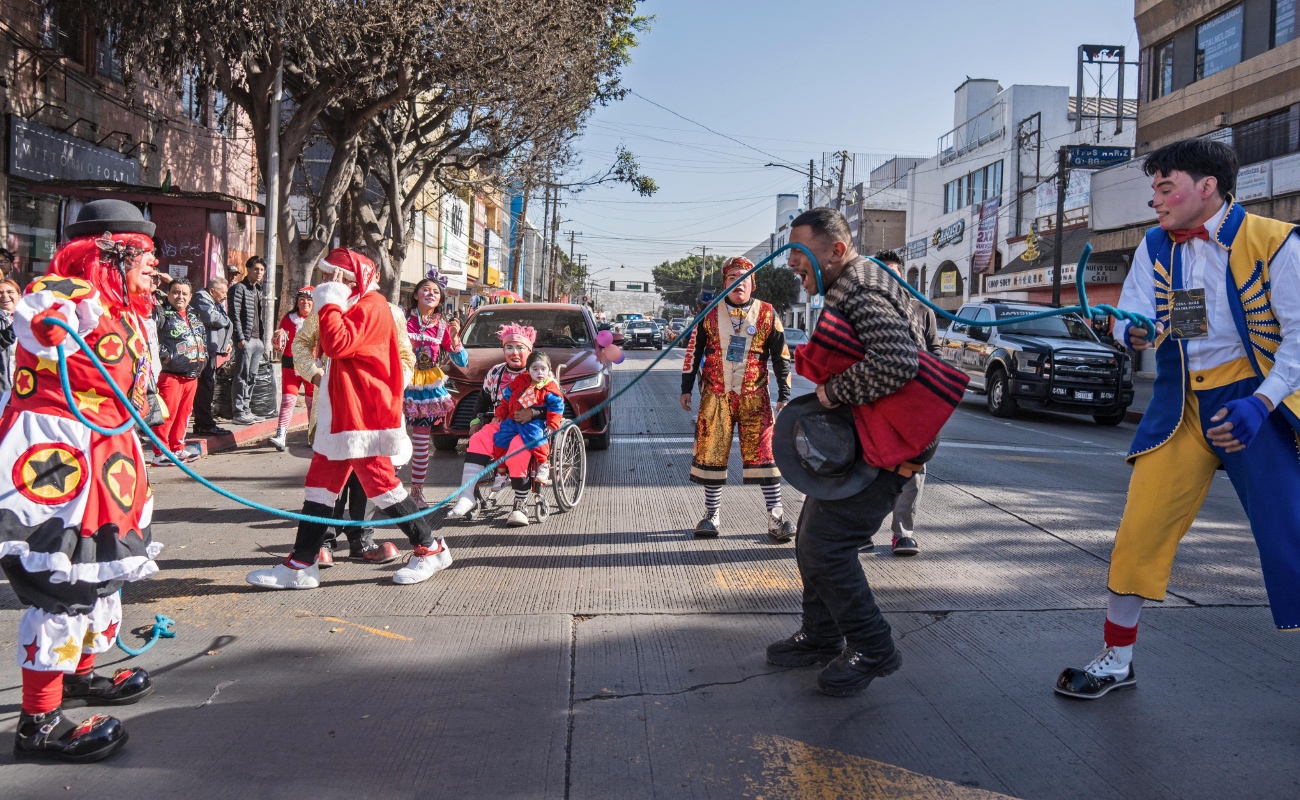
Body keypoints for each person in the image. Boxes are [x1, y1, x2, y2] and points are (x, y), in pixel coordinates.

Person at [1056, 139, 1300, 700]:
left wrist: (1261, 403)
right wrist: (1130, 331)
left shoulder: (1274, 241)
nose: (1156, 201)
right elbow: (1134, 310)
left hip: (1258, 400)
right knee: (1138, 531)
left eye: (1167, 188)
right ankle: (1117, 660)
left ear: (1207, 187)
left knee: (1290, 533)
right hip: (1183, 402)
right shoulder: (1155, 245)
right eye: (1155, 189)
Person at [1, 199, 162, 761]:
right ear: (106, 254)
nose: (154, 265)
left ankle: (77, 676)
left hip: (105, 461)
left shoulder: (124, 310)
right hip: (58, 463)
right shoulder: (71, 293)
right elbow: (37, 314)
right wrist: (47, 322)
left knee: (97, 573)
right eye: (143, 254)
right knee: (60, 583)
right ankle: (38, 723)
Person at [769, 208, 937, 697]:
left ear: (837, 250)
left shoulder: (861, 289)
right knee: (811, 535)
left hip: (896, 441)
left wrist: (832, 393)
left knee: (827, 544)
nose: (793, 264)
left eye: (801, 253)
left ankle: (873, 646)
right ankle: (821, 635)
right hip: (874, 436)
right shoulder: (855, 283)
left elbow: (897, 363)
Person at [246, 247, 449, 589]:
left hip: (363, 413)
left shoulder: (371, 306)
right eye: (325, 276)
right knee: (321, 486)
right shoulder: (349, 305)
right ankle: (301, 563)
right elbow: (316, 343)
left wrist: (329, 298)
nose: (325, 282)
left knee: (381, 485)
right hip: (341, 412)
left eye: (332, 276)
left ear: (350, 280)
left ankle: (429, 547)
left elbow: (337, 344)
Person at [290, 285, 414, 566]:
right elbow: (301, 344)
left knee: (370, 477)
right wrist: (317, 375)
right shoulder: (327, 308)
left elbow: (406, 357)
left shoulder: (390, 312)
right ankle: (323, 542)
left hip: (373, 408)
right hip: (334, 408)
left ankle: (362, 539)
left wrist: (388, 384)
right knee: (330, 476)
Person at [680, 256, 794, 541]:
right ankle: (711, 516)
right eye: (732, 278)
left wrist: (785, 393)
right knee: (712, 454)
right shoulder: (707, 314)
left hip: (755, 397)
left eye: (744, 277)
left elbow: (781, 357)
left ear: (753, 284)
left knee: (766, 455)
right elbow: (693, 353)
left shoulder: (767, 313)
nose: (738, 283)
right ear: (725, 284)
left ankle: (776, 517)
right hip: (715, 396)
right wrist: (685, 388)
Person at [868, 249, 940, 557]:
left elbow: (935, 352)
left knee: (913, 469)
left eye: (895, 275)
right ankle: (861, 531)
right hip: (875, 401)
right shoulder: (863, 309)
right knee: (868, 468)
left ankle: (903, 533)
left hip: (914, 404)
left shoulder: (922, 310)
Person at [446, 323, 536, 522]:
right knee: (478, 439)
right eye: (509, 347)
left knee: (517, 448)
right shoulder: (495, 372)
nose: (514, 352)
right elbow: (482, 399)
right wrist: (475, 421)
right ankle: (467, 495)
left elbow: (555, 404)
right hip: (500, 422)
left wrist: (533, 412)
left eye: (520, 347)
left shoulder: (537, 372)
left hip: (528, 427)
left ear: (529, 350)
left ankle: (520, 503)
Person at [404, 269, 467, 507]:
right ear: (416, 295)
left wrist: (456, 338)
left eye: (435, 292)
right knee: (391, 438)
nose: (431, 294)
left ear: (440, 299)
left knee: (421, 442)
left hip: (426, 387)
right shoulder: (402, 319)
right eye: (426, 289)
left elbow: (462, 362)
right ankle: (386, 490)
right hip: (399, 381)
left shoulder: (442, 326)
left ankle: (417, 491)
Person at [150, 277, 208, 466]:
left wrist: (204, 355)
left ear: (191, 296)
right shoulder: (161, 313)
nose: (180, 296)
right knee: (168, 415)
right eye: (175, 292)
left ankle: (177, 448)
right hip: (171, 374)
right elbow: (150, 337)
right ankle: (160, 453)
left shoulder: (193, 315)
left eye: (184, 293)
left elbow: (202, 337)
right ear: (169, 293)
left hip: (192, 375)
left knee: (184, 415)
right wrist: (165, 355)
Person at [493, 350, 565, 496]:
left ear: (549, 370)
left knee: (536, 437)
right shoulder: (519, 383)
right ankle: (501, 473)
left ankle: (543, 464)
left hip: (535, 421)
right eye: (535, 369)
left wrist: (552, 425)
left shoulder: (549, 388)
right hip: (514, 419)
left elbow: (556, 409)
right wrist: (499, 415)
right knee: (500, 438)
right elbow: (506, 400)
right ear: (528, 370)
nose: (539, 373)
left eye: (543, 369)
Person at [269, 287, 315, 452]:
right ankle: (281, 435)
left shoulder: (319, 319)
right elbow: (279, 343)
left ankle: (313, 436)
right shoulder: (288, 319)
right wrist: (277, 340)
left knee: (311, 403)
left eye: (309, 299)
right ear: (297, 301)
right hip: (290, 366)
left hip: (312, 368)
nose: (305, 302)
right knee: (288, 401)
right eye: (302, 298)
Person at [191, 276, 232, 435]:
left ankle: (204, 422)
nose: (224, 296)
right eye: (223, 292)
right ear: (212, 290)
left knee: (207, 386)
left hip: (210, 350)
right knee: (204, 387)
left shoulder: (213, 302)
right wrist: (226, 320)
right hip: (202, 351)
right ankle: (204, 424)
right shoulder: (202, 298)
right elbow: (211, 318)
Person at [228, 255, 266, 425]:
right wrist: (240, 337)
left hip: (258, 340)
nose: (259, 273)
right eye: (256, 269)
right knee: (241, 376)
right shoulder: (238, 289)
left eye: (262, 270)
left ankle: (247, 410)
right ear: (248, 269)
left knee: (252, 376)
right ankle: (238, 412)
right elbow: (234, 314)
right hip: (246, 340)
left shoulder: (258, 289)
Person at [0, 279, 18, 413]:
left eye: (10, 292)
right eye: (0, 293)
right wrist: (16, 327)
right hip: (2, 389)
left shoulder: (32, 320)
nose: (5, 295)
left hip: (23, 387)